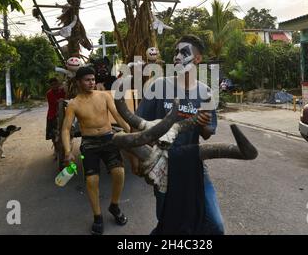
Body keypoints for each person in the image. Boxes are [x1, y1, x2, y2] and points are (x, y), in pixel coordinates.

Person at [135, 34, 224, 235]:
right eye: (175, 52)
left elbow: (208, 133)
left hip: (194, 164)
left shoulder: (206, 92)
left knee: (215, 226)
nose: (176, 56)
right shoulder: (158, 86)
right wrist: (141, 159)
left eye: (183, 52)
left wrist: (202, 125)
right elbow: (138, 126)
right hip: (163, 165)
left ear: (198, 59)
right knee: (168, 223)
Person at [61, 66, 131, 235]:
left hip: (108, 139)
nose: (91, 82)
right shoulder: (73, 104)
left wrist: (129, 131)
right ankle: (97, 216)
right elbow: (65, 129)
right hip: (89, 144)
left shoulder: (104, 96)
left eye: (93, 79)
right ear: (79, 82)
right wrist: (67, 151)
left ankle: (114, 206)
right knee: (92, 181)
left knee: (119, 172)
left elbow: (117, 115)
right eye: (87, 80)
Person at [45, 77, 66, 143]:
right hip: (53, 115)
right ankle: (55, 147)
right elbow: (55, 102)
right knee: (53, 133)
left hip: (62, 113)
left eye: (56, 84)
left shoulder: (62, 91)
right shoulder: (49, 93)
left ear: (58, 84)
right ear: (50, 86)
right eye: (52, 84)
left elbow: (66, 97)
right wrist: (61, 100)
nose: (54, 86)